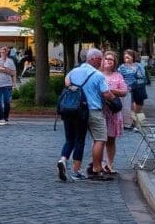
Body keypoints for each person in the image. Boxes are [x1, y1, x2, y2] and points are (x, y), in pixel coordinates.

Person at [60, 48, 116, 181]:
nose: (102, 61)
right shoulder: (97, 75)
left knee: (71, 139)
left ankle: (64, 161)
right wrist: (115, 99)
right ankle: (96, 169)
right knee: (100, 139)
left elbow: (67, 82)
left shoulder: (75, 71)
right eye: (101, 59)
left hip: (73, 109)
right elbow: (106, 93)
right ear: (94, 59)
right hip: (93, 110)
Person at [100, 51, 128, 175]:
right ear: (102, 60)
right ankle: (98, 164)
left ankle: (109, 164)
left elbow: (124, 91)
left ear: (114, 63)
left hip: (113, 112)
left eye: (111, 60)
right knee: (99, 140)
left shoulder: (118, 76)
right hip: (99, 111)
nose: (109, 61)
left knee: (111, 140)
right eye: (107, 59)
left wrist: (110, 90)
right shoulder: (97, 74)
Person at [119, 49, 147, 129]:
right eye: (125, 56)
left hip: (138, 89)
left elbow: (143, 77)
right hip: (127, 90)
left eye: (128, 56)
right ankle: (130, 123)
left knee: (138, 108)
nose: (126, 57)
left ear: (133, 57)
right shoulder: (122, 67)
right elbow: (119, 77)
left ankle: (139, 124)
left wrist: (133, 82)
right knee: (128, 108)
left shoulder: (138, 66)